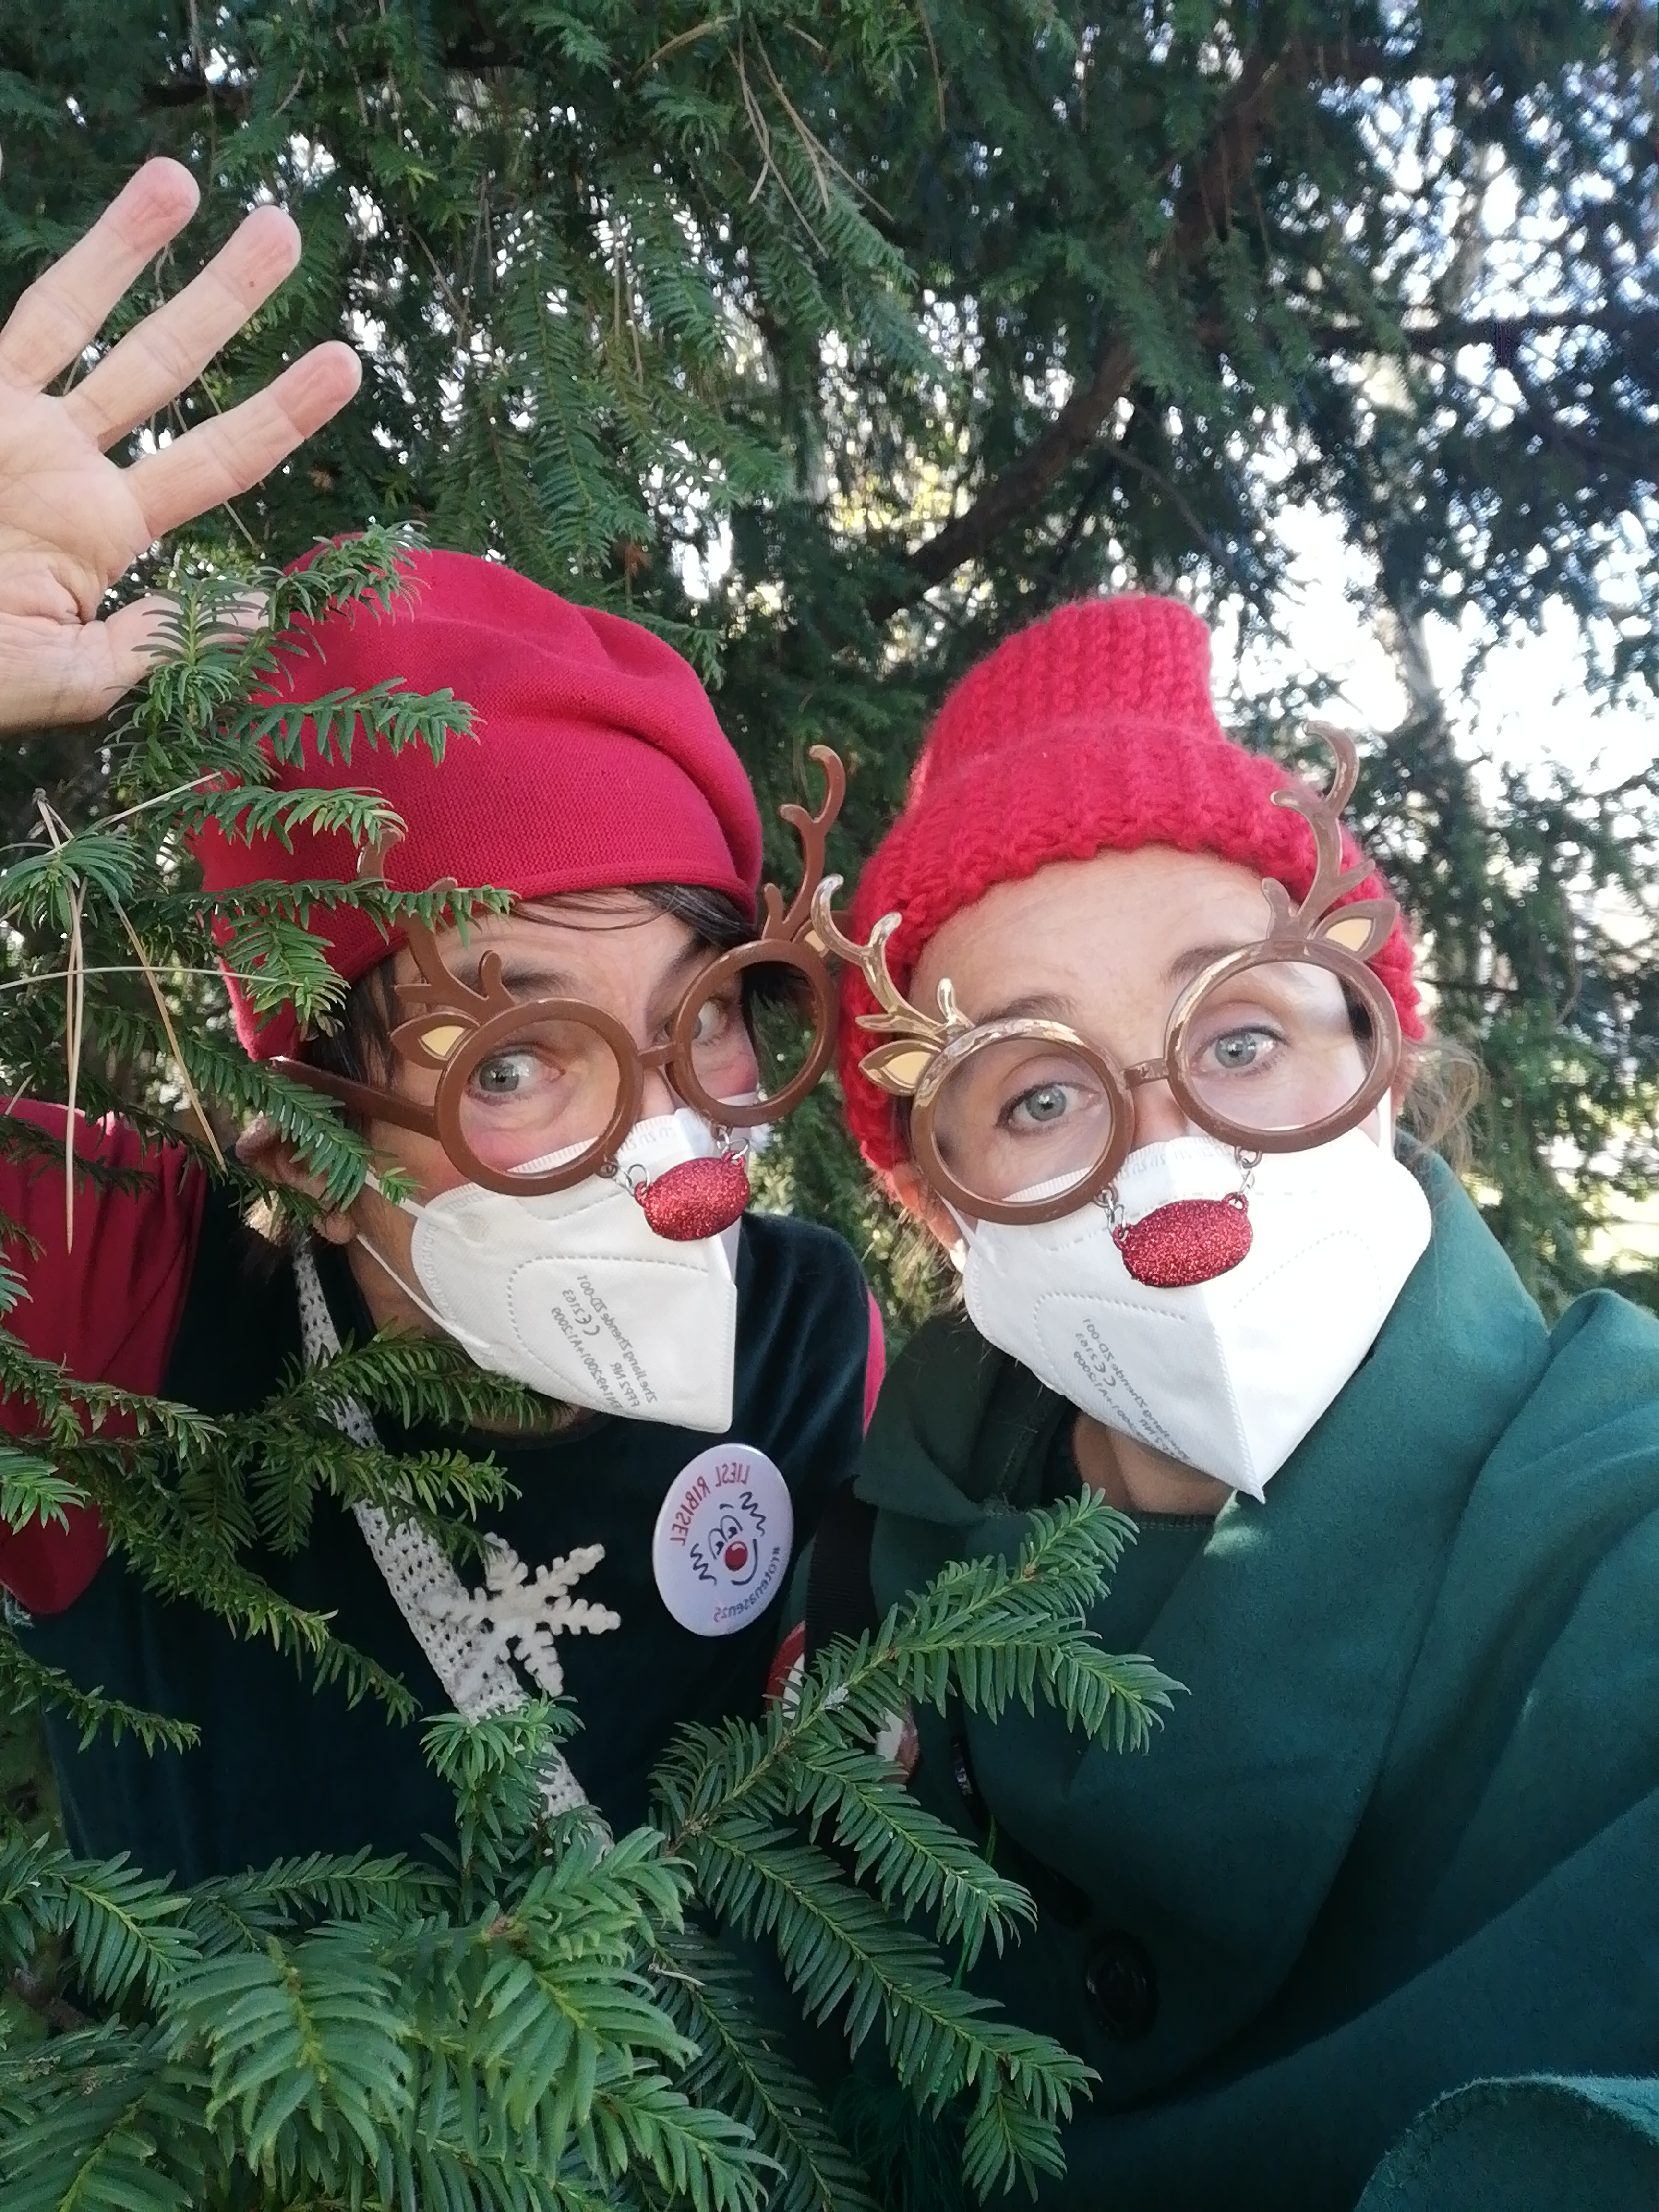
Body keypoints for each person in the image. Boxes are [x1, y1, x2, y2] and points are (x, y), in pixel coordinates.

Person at [0, 163, 879, 1875]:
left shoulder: (800, 1336)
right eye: (528, 1057)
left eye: (705, 1018)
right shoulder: (118, 1330)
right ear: (309, 1137)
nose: (674, 1148)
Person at [792, 593, 1659, 2211]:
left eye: (1241, 1035)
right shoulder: (873, 1577)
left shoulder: (1622, 1543)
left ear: (1379, 1060)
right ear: (934, 1205)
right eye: (1040, 1092)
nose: (1171, 1148)